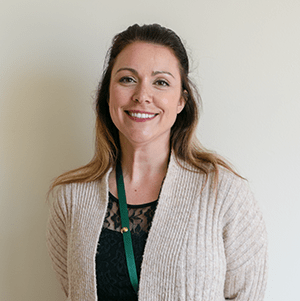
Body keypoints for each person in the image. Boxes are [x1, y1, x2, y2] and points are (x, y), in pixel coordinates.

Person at [46, 24, 268, 301]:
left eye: (161, 82)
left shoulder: (223, 192)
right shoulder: (70, 197)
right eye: (127, 79)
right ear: (108, 94)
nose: (142, 95)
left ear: (181, 101)